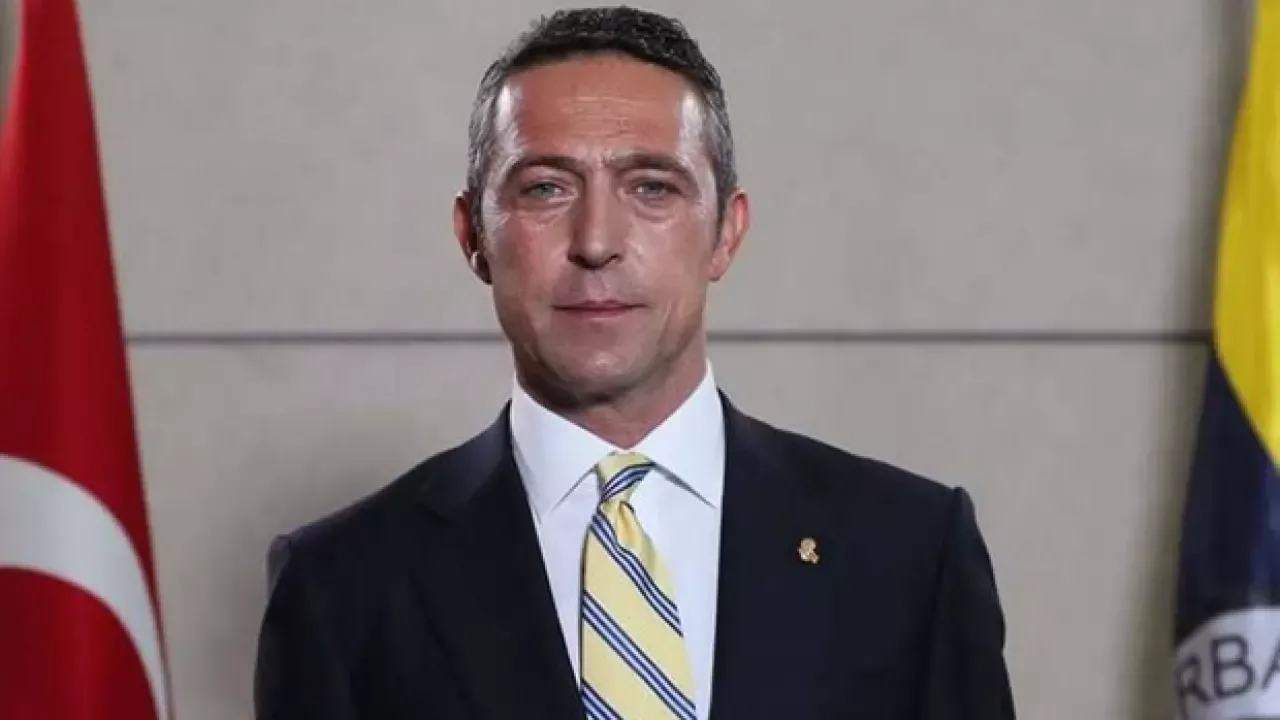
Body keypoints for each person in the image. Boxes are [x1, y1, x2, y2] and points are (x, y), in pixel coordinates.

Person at [252, 6, 1016, 719]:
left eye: (651, 187)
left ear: (725, 233)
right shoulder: (339, 585)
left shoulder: (912, 551)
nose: (596, 241)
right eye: (545, 188)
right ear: (473, 236)